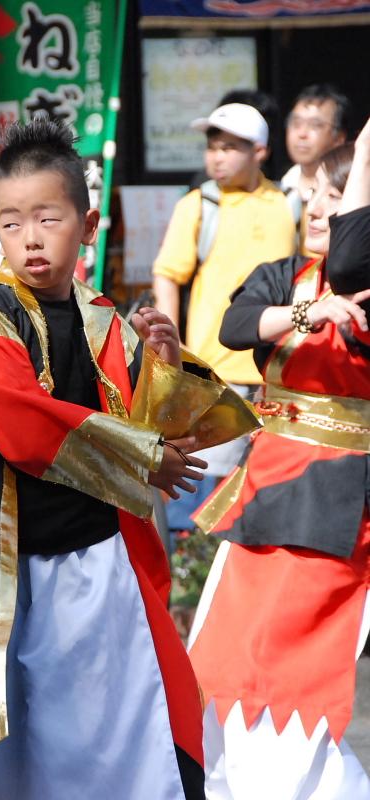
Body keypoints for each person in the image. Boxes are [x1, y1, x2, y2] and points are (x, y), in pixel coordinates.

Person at [0, 116, 209, 800]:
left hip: (97, 565)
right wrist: (144, 456)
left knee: (115, 740)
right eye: (11, 222)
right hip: (8, 579)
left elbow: (150, 423)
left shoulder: (101, 314)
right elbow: (24, 423)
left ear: (87, 224)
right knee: (15, 758)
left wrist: (162, 362)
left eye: (47, 217)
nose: (30, 237)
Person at [188, 120, 370, 799]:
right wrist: (306, 313)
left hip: (333, 503)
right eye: (316, 193)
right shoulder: (284, 276)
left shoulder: (362, 283)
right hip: (263, 491)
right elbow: (235, 326)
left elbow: (351, 261)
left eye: (339, 194)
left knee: (290, 691)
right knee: (223, 669)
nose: (320, 207)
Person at [153, 102, 296, 496]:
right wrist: (175, 346)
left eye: (231, 147)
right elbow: (167, 274)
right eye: (213, 146)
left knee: (269, 489)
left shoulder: (291, 202)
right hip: (213, 374)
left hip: (281, 373)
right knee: (204, 487)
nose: (217, 156)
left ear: (260, 152)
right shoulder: (199, 205)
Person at [281, 83, 350, 254]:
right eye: (295, 123)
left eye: (315, 125)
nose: (302, 133)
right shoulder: (275, 191)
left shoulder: (353, 192)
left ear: (339, 137)